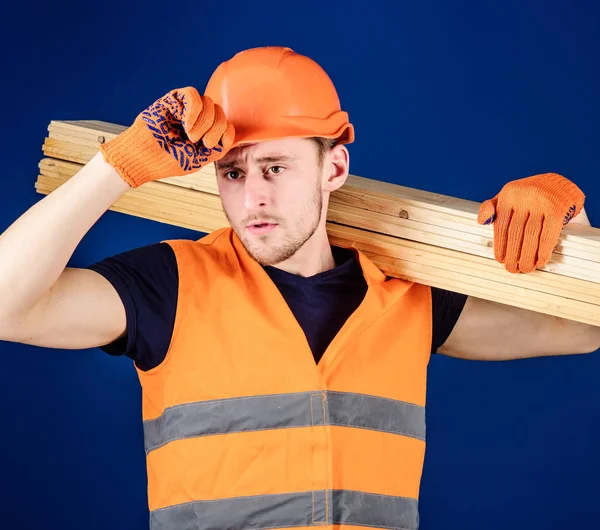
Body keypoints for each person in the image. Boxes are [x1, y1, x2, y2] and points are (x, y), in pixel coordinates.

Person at [0, 46, 598, 530]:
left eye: (275, 168)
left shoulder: (408, 295)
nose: (252, 197)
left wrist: (566, 210)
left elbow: (581, 327)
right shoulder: (169, 286)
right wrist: (118, 166)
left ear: (333, 169)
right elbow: (8, 307)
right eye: (232, 173)